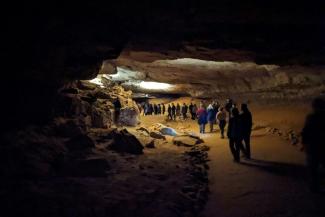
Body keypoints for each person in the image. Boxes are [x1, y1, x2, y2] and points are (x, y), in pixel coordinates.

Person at [302, 97, 325, 192]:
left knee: (313, 168)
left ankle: (314, 186)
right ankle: (314, 186)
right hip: (320, 146)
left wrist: (305, 143)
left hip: (314, 146)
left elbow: (306, 131)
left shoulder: (311, 118)